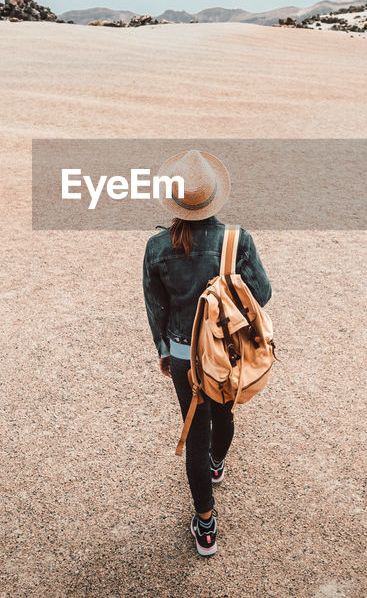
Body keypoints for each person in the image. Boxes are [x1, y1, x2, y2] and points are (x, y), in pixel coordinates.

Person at [142, 149, 271, 557]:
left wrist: (165, 349)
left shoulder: (157, 246)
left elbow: (156, 306)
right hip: (228, 352)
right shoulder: (236, 240)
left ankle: (206, 524)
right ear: (213, 196)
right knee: (224, 415)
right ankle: (218, 463)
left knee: (194, 431)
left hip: (184, 355)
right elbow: (262, 295)